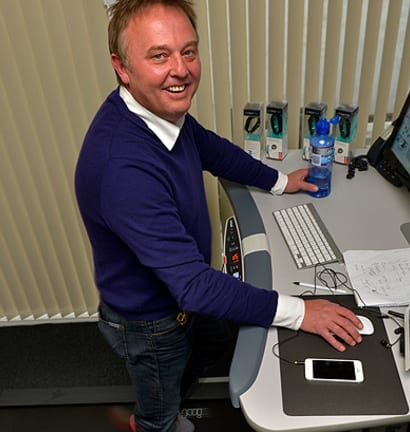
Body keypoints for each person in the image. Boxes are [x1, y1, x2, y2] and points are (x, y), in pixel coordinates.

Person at [74, 1, 367, 430]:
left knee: (217, 351)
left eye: (188, 51)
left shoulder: (155, 113)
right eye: (159, 55)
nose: (181, 69)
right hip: (152, 322)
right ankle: (152, 423)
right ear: (122, 67)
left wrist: (281, 182)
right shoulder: (123, 168)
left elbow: (211, 149)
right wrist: (303, 313)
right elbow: (193, 285)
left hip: (179, 297)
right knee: (161, 404)